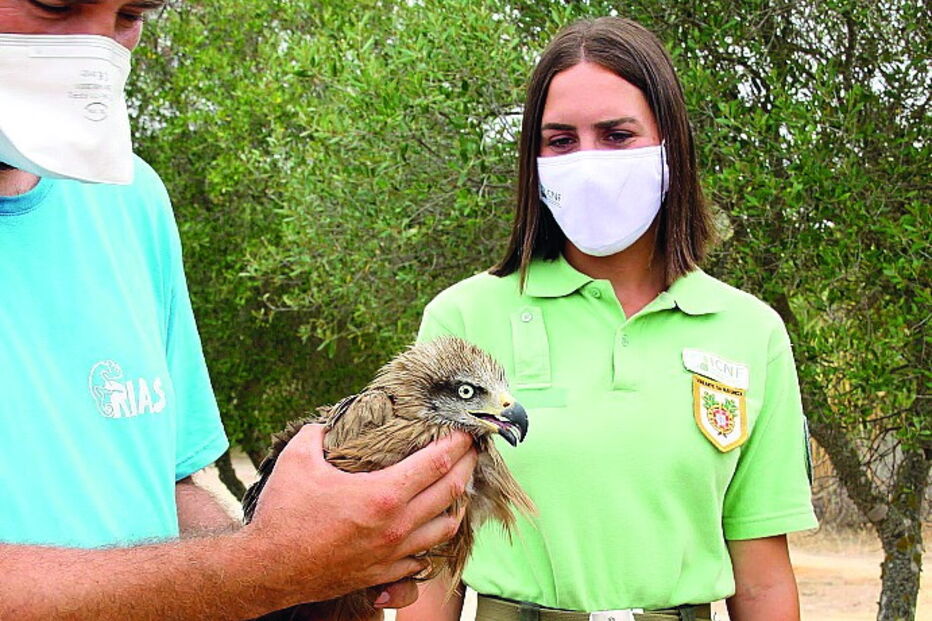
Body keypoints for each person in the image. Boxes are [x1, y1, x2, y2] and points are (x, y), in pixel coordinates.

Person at [0, 1, 476, 618]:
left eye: (129, 15)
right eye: (54, 5)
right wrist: (260, 570)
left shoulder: (130, 196)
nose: (97, 50)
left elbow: (166, 488)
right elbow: (240, 572)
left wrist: (318, 572)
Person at [401, 16, 817, 621]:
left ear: (669, 143)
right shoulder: (462, 319)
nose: (588, 162)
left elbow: (763, 582)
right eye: (561, 140)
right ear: (533, 157)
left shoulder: (749, 332)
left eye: (617, 135)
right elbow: (433, 566)